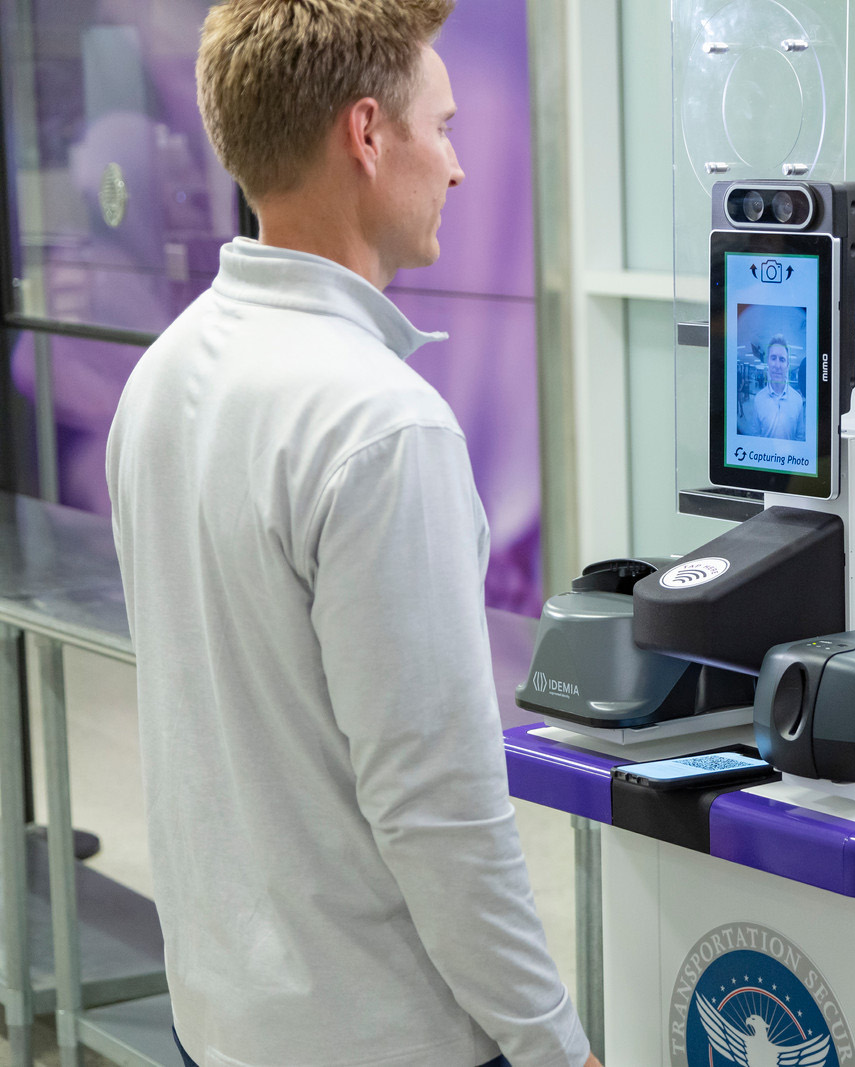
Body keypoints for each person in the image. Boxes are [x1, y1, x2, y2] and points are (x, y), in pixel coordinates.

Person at [105, 2, 601, 1065]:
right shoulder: (381, 424)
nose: (460, 167)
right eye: (444, 125)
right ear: (368, 136)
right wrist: (553, 1041)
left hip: (223, 1021)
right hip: (377, 1036)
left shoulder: (166, 372)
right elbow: (439, 808)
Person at [751, 335, 804, 440]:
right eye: (773, 358)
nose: (777, 365)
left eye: (782, 359)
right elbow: (754, 436)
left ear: (787, 365)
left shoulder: (797, 400)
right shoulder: (758, 399)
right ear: (768, 363)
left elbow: (800, 437)